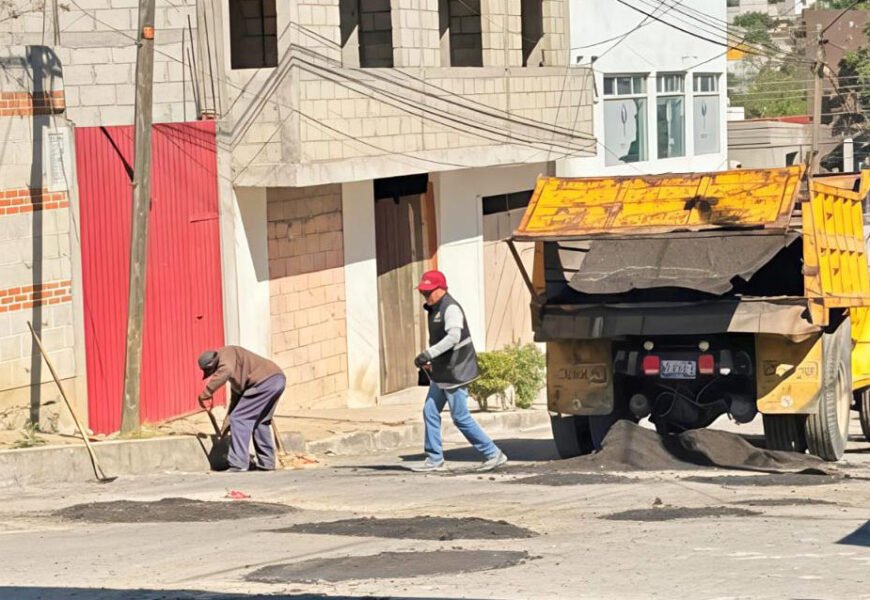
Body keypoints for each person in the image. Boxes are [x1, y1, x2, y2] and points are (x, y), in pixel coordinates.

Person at [412, 270, 508, 472]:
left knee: (460, 417)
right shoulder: (435, 308)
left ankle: (493, 453)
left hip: (456, 371)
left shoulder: (450, 308)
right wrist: (432, 360)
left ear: (441, 290)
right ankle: (434, 459)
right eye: (423, 292)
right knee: (430, 410)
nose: (426, 296)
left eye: (429, 292)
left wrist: (429, 354)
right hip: (442, 372)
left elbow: (454, 337)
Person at [197, 346, 286, 472]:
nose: (214, 374)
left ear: (214, 366)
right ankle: (267, 463)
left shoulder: (226, 353)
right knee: (260, 421)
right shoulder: (237, 371)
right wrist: (227, 422)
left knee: (239, 419)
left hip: (265, 382)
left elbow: (225, 370)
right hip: (276, 380)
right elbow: (237, 401)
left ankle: (239, 464)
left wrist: (207, 392)